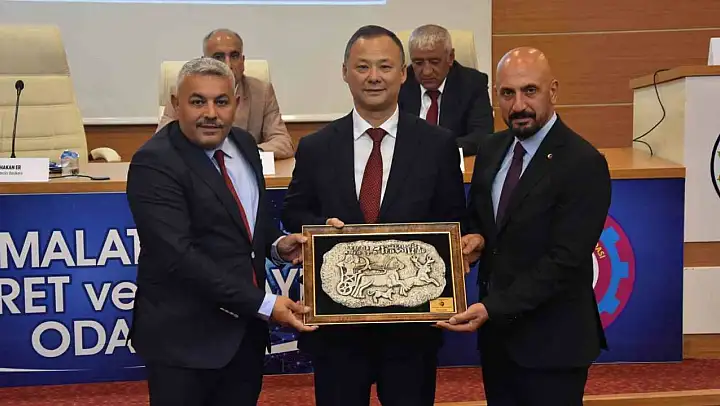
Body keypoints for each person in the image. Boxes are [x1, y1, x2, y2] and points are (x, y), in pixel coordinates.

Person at [281, 25, 467, 406]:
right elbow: (294, 210)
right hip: (338, 330)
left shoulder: (438, 145)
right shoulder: (316, 147)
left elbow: (453, 217)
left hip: (411, 332)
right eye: (362, 66)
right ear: (345, 72)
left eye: (385, 66)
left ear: (403, 74)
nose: (374, 77)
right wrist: (317, 230)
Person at [127, 57, 316, 406]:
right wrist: (265, 304)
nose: (211, 113)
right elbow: (178, 257)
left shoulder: (244, 144)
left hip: (244, 337)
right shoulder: (154, 162)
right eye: (198, 101)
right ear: (176, 104)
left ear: (237, 104)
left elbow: (246, 220)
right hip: (184, 342)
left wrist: (276, 244)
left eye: (222, 101)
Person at [438, 47, 611, 405]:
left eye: (530, 91)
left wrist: (492, 307)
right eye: (507, 93)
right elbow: (481, 218)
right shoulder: (491, 148)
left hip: (553, 344)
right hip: (498, 342)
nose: (518, 105)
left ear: (553, 91)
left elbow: (564, 260)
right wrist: (476, 238)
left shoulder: (583, 163)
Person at [157, 28, 295, 159]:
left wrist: (243, 155)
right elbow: (161, 142)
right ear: (204, 62)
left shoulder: (262, 91)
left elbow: (283, 143)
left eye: (234, 56)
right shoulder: (183, 91)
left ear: (243, 61)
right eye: (219, 57)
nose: (227, 65)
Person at [398, 24, 494, 156]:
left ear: (450, 57)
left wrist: (437, 149)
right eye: (418, 63)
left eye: (434, 62)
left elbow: (482, 136)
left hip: (451, 160)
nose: (426, 71)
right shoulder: (399, 83)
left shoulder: (472, 83)